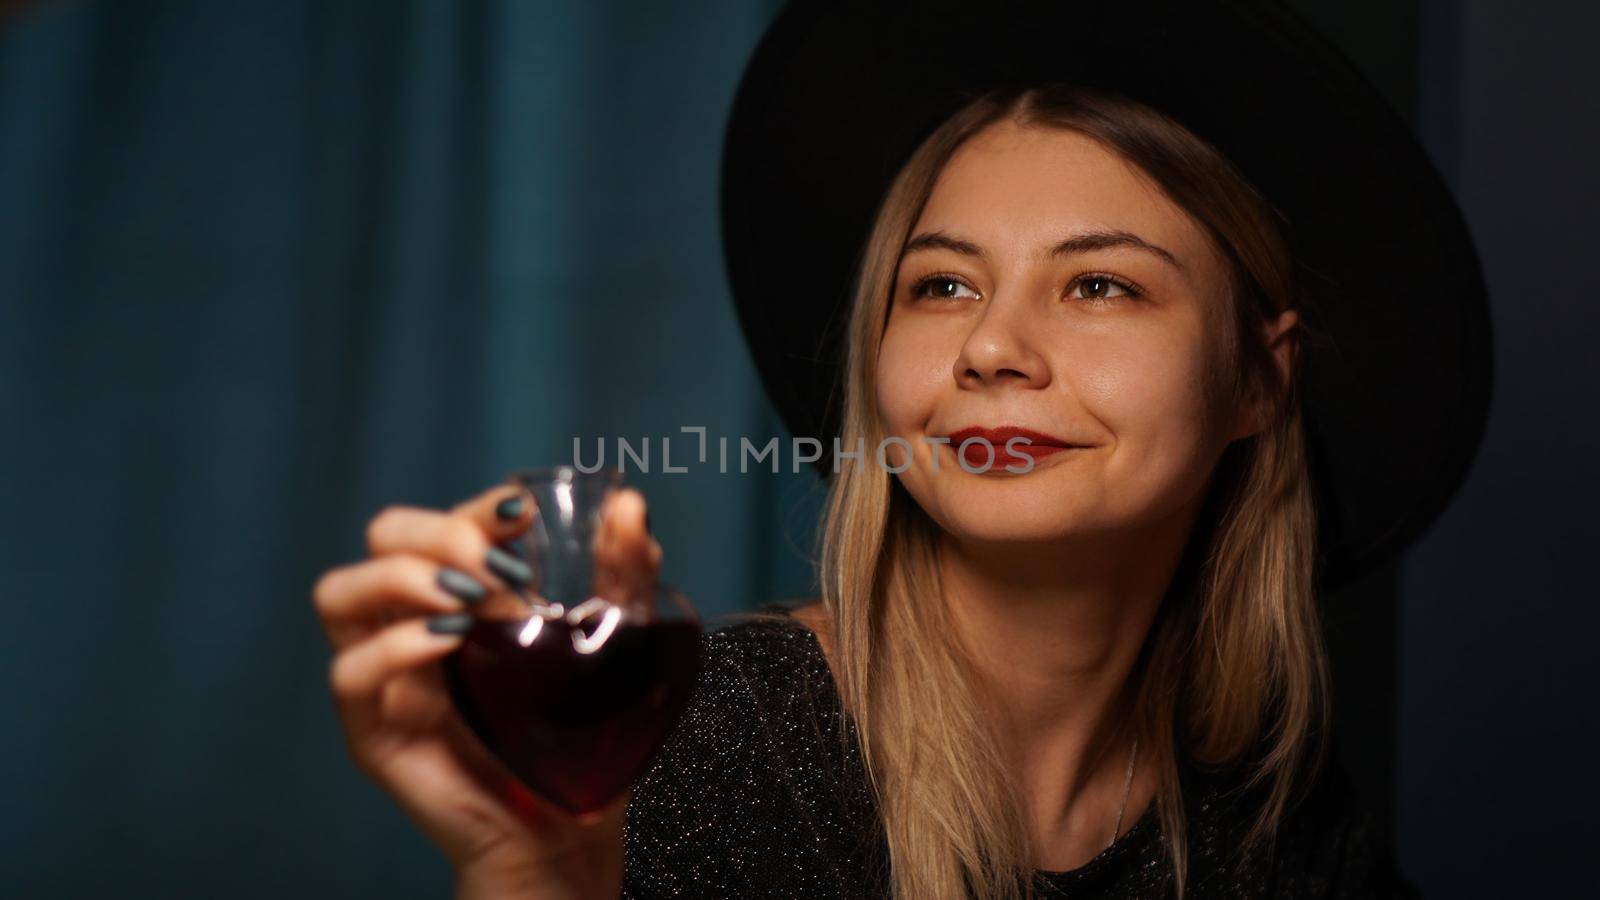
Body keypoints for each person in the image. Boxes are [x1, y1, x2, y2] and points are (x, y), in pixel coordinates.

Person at [311, 1, 1490, 897]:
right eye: (939, 285)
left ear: (1256, 378)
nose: (991, 347)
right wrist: (536, 883)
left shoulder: (1278, 822)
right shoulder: (694, 749)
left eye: (1096, 282)